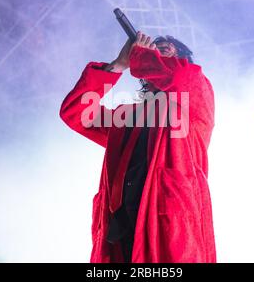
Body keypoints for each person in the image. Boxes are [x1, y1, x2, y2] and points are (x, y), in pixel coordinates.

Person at [60, 31, 216, 262]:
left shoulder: (194, 96)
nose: (155, 50)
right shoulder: (128, 117)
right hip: (122, 233)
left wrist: (142, 56)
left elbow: (180, 77)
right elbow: (77, 112)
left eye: (166, 49)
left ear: (182, 58)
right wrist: (118, 65)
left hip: (168, 234)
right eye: (154, 48)